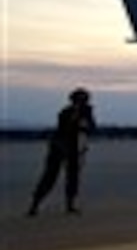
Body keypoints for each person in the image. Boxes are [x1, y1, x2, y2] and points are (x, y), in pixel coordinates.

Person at [27, 88, 96, 216]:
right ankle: (35, 205)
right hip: (61, 146)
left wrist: (85, 122)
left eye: (84, 100)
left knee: (72, 178)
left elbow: (90, 128)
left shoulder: (86, 112)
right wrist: (79, 120)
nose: (82, 102)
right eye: (80, 100)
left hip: (73, 148)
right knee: (50, 177)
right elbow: (67, 127)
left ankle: (69, 206)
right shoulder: (66, 112)